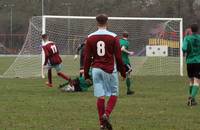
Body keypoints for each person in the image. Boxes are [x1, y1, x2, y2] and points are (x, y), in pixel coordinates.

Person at [84, 14, 126, 130]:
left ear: (97, 23)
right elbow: (118, 57)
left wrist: (86, 74)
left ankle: (102, 125)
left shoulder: (90, 37)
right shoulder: (113, 37)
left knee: (100, 96)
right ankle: (106, 115)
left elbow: (87, 58)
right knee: (114, 93)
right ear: (107, 23)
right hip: (110, 69)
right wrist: (123, 72)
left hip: (96, 69)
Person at [182, 23, 200, 106]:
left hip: (189, 61)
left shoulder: (187, 38)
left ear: (191, 30)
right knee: (197, 81)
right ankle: (191, 97)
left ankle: (192, 101)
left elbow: (184, 48)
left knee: (191, 80)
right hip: (198, 61)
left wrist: (187, 51)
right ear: (198, 30)